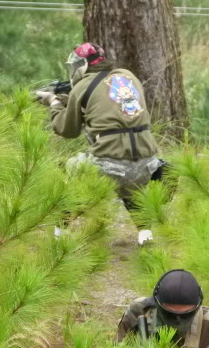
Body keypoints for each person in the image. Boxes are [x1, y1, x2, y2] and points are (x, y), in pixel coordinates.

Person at [35, 43, 164, 245]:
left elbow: (66, 130)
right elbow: (107, 104)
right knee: (131, 186)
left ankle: (59, 236)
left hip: (110, 167)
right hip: (147, 165)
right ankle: (145, 234)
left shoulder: (81, 87)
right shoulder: (128, 77)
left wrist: (53, 102)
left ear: (83, 65)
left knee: (72, 170)